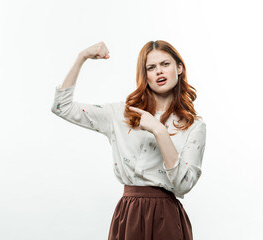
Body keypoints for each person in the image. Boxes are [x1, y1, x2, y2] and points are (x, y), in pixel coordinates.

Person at [51, 40, 206, 240]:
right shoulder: (119, 115)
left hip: (166, 217)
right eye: (151, 67)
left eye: (165, 64)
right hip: (129, 215)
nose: (159, 71)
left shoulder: (194, 126)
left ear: (179, 68)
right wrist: (82, 56)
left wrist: (159, 131)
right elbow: (61, 107)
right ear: (145, 75)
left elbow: (184, 185)